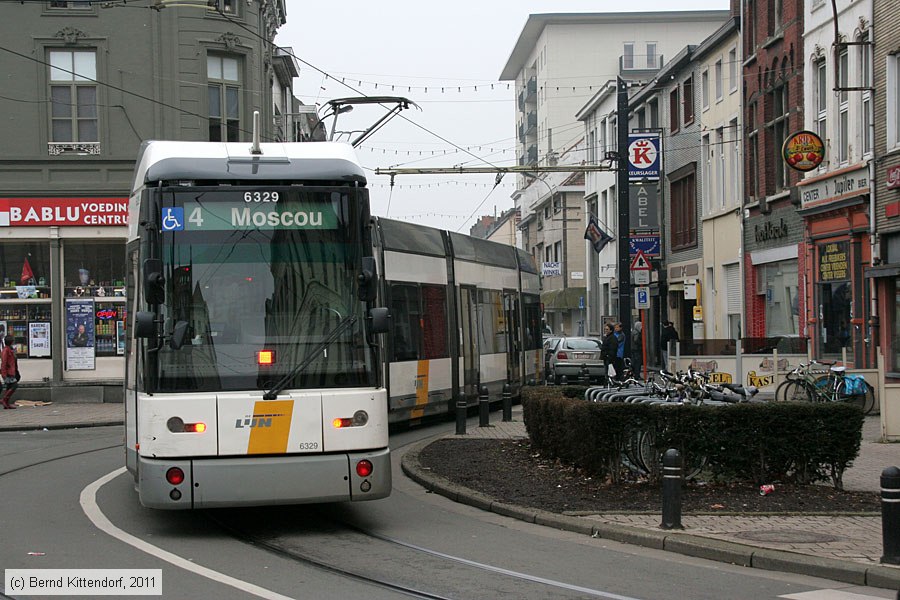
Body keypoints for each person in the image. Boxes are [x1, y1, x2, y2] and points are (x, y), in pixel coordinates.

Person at [1, 334, 18, 409]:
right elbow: (4, 362)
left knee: (9, 386)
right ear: (11, 342)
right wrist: (4, 373)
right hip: (8, 372)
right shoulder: (6, 350)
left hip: (12, 371)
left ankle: (6, 403)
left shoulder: (10, 349)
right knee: (14, 385)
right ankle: (4, 400)